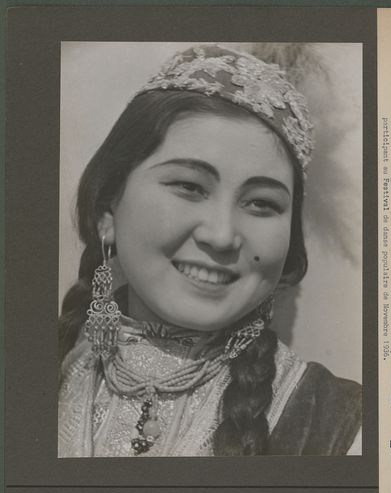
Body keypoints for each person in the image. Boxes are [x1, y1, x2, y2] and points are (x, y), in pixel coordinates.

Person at [58, 44, 361, 457]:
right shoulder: (27, 379)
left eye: (261, 204)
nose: (222, 236)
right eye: (189, 186)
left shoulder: (345, 427)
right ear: (107, 210)